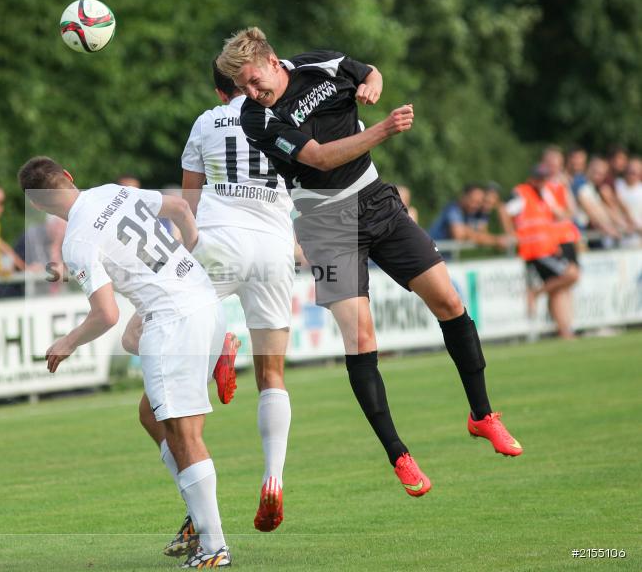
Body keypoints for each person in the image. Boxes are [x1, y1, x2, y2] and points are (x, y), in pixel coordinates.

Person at [217, 26, 522, 498]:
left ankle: (483, 416)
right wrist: (383, 128)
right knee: (361, 337)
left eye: (255, 81)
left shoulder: (318, 63)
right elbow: (317, 159)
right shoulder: (257, 120)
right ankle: (399, 454)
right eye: (243, 89)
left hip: (377, 202)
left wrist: (373, 83)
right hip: (325, 224)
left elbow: (365, 71)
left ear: (273, 61)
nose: (251, 93)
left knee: (449, 302)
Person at [19, 156, 232, 568]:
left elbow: (105, 315)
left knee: (184, 435)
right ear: (68, 175)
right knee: (151, 414)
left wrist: (69, 341)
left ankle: (214, 546)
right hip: (203, 299)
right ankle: (198, 511)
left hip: (175, 320)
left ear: (38, 205)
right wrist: (186, 254)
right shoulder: (110, 191)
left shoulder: (77, 241)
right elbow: (182, 209)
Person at [124, 61, 295, 542]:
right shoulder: (288, 116)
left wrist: (182, 260)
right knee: (273, 375)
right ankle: (274, 477)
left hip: (218, 243)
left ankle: (198, 515)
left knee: (146, 378)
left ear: (221, 93)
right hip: (275, 251)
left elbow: (188, 205)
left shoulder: (206, 121)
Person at [506, 166, 580, 339]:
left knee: (558, 290)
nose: (541, 181)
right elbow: (506, 210)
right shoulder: (522, 192)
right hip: (535, 250)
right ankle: (536, 293)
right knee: (572, 274)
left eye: (544, 178)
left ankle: (564, 331)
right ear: (531, 178)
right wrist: (511, 234)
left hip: (548, 248)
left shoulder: (544, 195)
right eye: (538, 178)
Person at [428, 184, 508, 249]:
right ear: (463, 197)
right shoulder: (453, 210)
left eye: (478, 203)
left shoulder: (469, 212)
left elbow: (482, 234)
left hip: (444, 257)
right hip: (432, 257)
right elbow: (458, 235)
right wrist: (496, 240)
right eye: (473, 201)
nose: (475, 206)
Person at [616, 157, 642, 234]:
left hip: (637, 234)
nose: (631, 174)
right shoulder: (617, 184)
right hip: (617, 232)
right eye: (629, 171)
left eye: (634, 172)